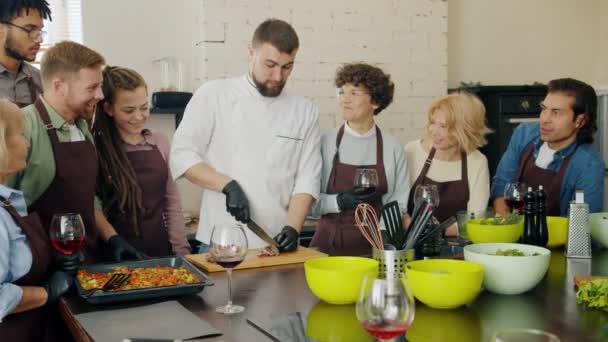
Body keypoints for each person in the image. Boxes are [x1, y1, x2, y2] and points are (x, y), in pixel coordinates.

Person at [170, 18, 321, 252]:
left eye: (287, 66)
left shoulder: (305, 110)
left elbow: (307, 178)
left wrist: (293, 227)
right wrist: (227, 186)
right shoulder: (214, 94)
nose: (278, 76)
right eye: (270, 64)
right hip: (220, 244)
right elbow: (182, 155)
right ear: (251, 53)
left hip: (276, 245)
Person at [5, 41, 145, 262]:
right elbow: (4, 210)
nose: (100, 95)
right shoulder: (23, 127)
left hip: (86, 257)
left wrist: (112, 237)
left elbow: (86, 198)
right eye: (91, 88)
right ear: (59, 86)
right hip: (39, 268)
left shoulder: (81, 126)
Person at [310, 63, 409, 255]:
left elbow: (398, 203)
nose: (344, 100)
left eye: (354, 93)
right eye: (342, 92)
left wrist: (382, 236)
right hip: (328, 246)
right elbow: (309, 201)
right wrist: (338, 202)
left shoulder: (393, 147)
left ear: (375, 102)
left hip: (376, 245)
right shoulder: (324, 143)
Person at [93, 66, 191, 257]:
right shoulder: (97, 149)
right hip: (117, 255)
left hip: (161, 250)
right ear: (108, 109)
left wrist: (181, 251)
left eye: (144, 108)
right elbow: (93, 208)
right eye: (129, 110)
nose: (139, 117)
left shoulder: (159, 141)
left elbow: (172, 202)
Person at [0, 99, 73, 341]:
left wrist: (55, 259)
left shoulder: (7, 201)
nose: (27, 142)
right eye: (20, 134)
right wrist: (48, 291)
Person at [492, 78, 605, 217]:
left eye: (556, 112)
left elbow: (583, 224)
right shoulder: (524, 134)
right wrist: (508, 226)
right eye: (544, 109)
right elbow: (501, 186)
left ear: (579, 121)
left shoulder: (589, 165)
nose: (544, 119)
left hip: (557, 238)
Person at [404, 92, 492, 234]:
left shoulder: (477, 162)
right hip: (411, 242)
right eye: (433, 123)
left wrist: (437, 231)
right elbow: (398, 206)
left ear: (465, 129)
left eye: (443, 126)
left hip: (457, 247)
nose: (434, 131)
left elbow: (476, 218)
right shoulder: (412, 151)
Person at [0, 0, 50, 107]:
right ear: (1, 29)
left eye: (39, 31)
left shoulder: (40, 80)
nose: (39, 39)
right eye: (30, 30)